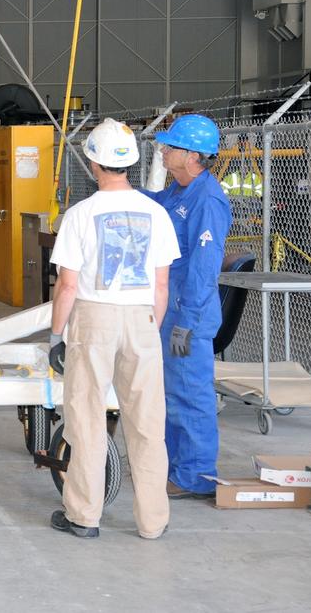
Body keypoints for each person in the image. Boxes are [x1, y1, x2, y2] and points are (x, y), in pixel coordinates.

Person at [47, 119, 179, 540]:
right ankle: (153, 522)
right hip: (142, 318)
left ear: (92, 162)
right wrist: (148, 327)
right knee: (146, 423)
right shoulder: (156, 213)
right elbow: (161, 284)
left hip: (94, 318)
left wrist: (55, 335)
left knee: (85, 419)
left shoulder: (81, 214)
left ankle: (84, 516)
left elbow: (67, 285)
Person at [142, 113, 232, 500]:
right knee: (168, 391)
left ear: (193, 155)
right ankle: (175, 467)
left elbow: (204, 268)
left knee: (188, 394)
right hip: (172, 311)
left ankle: (194, 476)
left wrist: (187, 324)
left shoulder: (207, 199)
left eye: (170, 146)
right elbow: (155, 204)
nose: (162, 150)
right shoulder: (179, 191)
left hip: (188, 320)